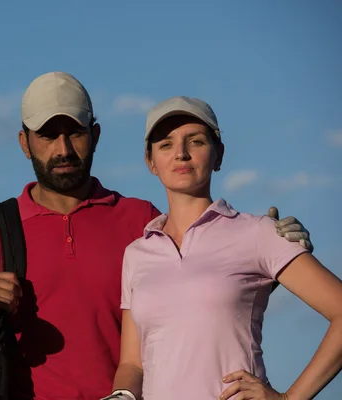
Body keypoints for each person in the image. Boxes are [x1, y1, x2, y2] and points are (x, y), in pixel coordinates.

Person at [0, 72, 313, 399]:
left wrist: (270, 257)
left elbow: (207, 285)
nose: (63, 148)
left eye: (75, 133)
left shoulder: (141, 219)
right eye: (48, 135)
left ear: (95, 135)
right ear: (24, 142)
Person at [109, 96, 342, 400]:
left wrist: (288, 399)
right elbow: (132, 364)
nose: (180, 154)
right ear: (150, 162)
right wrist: (121, 395)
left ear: (218, 155)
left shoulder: (258, 232)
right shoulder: (137, 253)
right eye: (166, 144)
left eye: (195, 142)